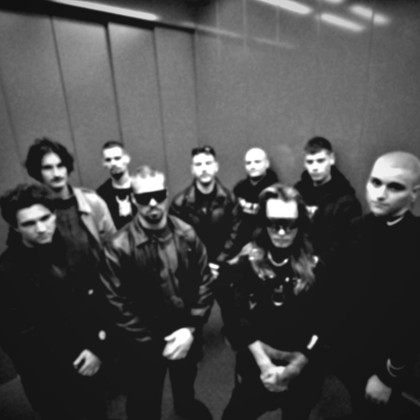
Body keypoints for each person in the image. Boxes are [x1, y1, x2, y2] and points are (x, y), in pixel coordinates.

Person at [100, 165, 214, 420]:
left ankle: (185, 406)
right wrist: (155, 345)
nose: (152, 203)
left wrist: (191, 328)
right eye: (144, 197)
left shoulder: (186, 233)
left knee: (185, 386)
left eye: (158, 195)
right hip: (143, 344)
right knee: (144, 403)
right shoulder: (118, 246)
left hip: (185, 332)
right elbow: (115, 303)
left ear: (166, 194)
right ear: (133, 199)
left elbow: (204, 280)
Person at [0, 183, 110, 420]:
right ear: (15, 227)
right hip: (51, 379)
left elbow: (92, 302)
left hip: (90, 364)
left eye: (45, 218)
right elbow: (18, 339)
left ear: (54, 215)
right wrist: (80, 355)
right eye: (29, 223)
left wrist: (96, 349)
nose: (41, 228)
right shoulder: (7, 272)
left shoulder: (66, 248)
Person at [220, 183, 327, 420]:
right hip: (257, 360)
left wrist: (296, 365)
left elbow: (324, 322)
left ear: (301, 223)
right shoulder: (247, 261)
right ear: (263, 222)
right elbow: (236, 316)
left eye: (289, 224)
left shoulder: (316, 266)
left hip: (302, 364)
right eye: (273, 223)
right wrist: (264, 364)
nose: (281, 232)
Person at [327, 151, 420, 420]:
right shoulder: (357, 226)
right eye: (375, 182)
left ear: (413, 194)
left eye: (395, 187)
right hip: (349, 350)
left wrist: (388, 377)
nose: (380, 194)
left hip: (384, 362)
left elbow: (413, 320)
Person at [25, 137, 116, 248]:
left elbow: (115, 246)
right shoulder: (34, 211)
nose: (56, 173)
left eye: (60, 166)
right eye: (48, 168)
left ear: (67, 167)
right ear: (37, 171)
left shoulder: (92, 202)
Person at [170, 145, 242, 278]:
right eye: (198, 164)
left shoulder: (230, 200)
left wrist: (219, 262)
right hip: (193, 269)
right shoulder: (179, 203)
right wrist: (201, 264)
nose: (204, 168)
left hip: (223, 268)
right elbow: (178, 240)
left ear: (216, 167)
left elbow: (235, 235)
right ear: (192, 170)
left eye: (208, 163)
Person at [294, 136, 361, 261]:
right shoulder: (296, 193)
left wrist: (318, 262)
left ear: (331, 159)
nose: (315, 167)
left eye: (320, 161)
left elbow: (347, 245)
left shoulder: (346, 199)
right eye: (310, 162)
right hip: (297, 261)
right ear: (304, 164)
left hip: (328, 266)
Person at [233, 147, 279, 242]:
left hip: (266, 241)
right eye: (248, 163)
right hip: (239, 240)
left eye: (257, 162)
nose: (252, 166)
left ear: (267, 164)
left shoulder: (276, 190)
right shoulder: (239, 189)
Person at [97, 140, 137, 229]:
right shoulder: (102, 194)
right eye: (108, 160)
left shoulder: (141, 187)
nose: (113, 163)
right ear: (104, 163)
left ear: (127, 159)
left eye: (117, 158)